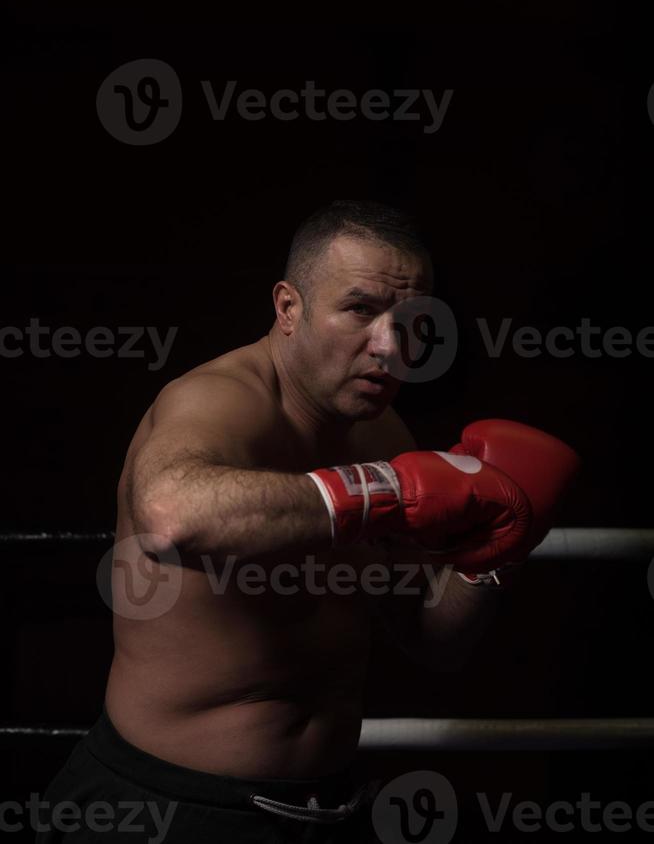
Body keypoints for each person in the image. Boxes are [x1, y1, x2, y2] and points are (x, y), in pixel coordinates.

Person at [37, 200, 578, 843]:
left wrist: (495, 555)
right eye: (360, 310)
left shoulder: (381, 431)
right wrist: (388, 487)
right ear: (289, 308)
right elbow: (170, 514)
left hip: (326, 806)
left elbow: (435, 638)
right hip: (168, 808)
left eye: (412, 320)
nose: (391, 345)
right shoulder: (216, 402)